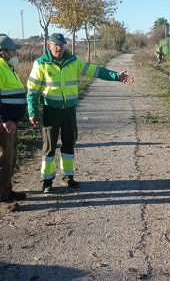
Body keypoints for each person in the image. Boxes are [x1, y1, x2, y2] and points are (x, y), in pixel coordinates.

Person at [27, 33, 134, 193]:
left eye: (62, 45)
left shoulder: (73, 62)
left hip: (69, 110)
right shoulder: (41, 63)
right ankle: (47, 181)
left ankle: (68, 177)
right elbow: (32, 90)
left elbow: (95, 71)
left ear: (65, 46)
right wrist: (32, 111)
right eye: (56, 45)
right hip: (51, 110)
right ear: (49, 45)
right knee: (49, 146)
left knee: (69, 143)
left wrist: (117, 76)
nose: (59, 48)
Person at [0, 35, 27, 202]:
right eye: (13, 50)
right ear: (3, 52)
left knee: (10, 157)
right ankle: (2, 193)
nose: (16, 52)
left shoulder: (7, 67)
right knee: (4, 158)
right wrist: (5, 119)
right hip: (4, 123)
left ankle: (6, 189)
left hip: (11, 123)